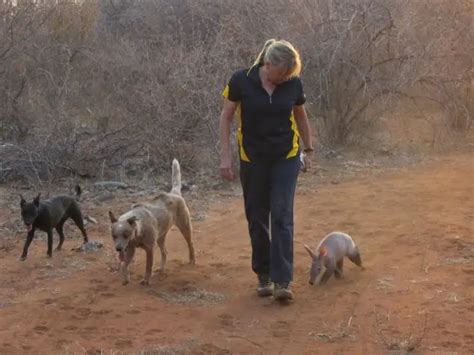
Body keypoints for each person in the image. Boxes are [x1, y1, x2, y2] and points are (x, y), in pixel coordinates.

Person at [219, 39, 314, 301]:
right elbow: (226, 117)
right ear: (267, 65)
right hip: (252, 157)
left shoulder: (293, 83)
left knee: (282, 214)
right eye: (281, 74)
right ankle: (264, 274)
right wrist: (226, 157)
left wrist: (308, 149)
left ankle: (283, 280)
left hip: (286, 155)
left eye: (289, 75)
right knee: (257, 215)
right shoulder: (241, 80)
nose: (285, 79)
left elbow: (300, 115)